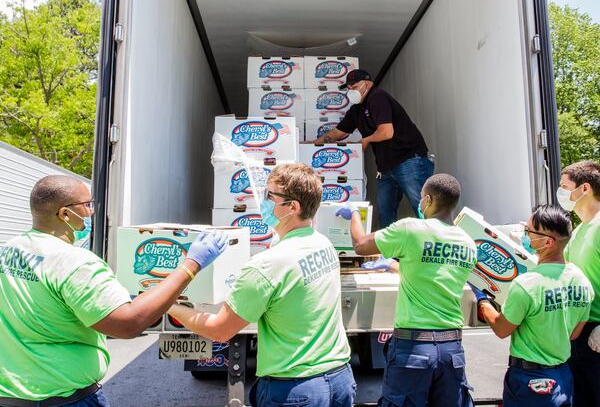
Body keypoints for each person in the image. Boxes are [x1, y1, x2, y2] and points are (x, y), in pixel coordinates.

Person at [0, 175, 226, 406]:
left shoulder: (10, 249)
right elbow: (128, 325)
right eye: (86, 205)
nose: (91, 212)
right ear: (64, 214)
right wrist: (191, 265)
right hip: (63, 398)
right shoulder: (75, 263)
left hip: (12, 397)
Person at [169, 163, 355, 407]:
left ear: (293, 207)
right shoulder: (324, 245)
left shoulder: (266, 265)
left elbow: (220, 330)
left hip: (295, 390)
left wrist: (168, 304)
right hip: (340, 380)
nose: (263, 203)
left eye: (270, 196)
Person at [337, 173, 476, 406]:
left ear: (429, 200)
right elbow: (433, 271)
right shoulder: (467, 243)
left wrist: (354, 215)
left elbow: (361, 245)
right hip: (452, 350)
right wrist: (393, 265)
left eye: (421, 198)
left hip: (414, 348)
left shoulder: (411, 229)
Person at [472, 204, 593, 407]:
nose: (525, 235)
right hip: (563, 376)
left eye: (529, 231)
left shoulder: (527, 284)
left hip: (530, 382)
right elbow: (573, 334)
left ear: (548, 242)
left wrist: (482, 300)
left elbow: (502, 329)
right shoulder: (582, 281)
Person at [314, 68, 433, 227]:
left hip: (408, 160)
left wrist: (366, 140)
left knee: (422, 207)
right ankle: (388, 251)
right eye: (349, 89)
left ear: (367, 84)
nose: (351, 91)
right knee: (385, 212)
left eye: (354, 87)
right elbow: (338, 132)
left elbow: (386, 132)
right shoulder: (356, 110)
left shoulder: (378, 97)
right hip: (385, 168)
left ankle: (439, 244)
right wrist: (313, 146)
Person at [558, 160, 600, 406]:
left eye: (565, 186)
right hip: (578, 333)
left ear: (584, 189)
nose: (561, 192)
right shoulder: (579, 230)